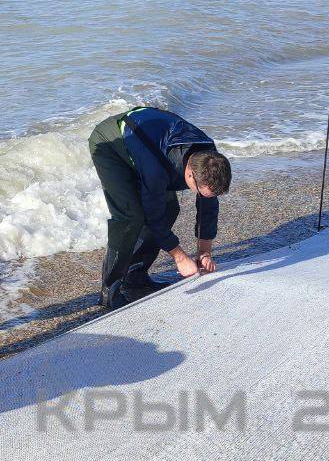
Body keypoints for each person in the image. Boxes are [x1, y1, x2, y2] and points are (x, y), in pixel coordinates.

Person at [88, 106, 232, 309]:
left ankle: (135, 278)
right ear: (190, 174)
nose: (203, 197)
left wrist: (204, 253)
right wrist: (180, 257)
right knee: (130, 218)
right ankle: (108, 293)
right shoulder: (157, 169)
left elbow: (208, 204)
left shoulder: (210, 159)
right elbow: (153, 215)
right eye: (200, 191)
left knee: (170, 209)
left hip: (149, 145)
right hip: (111, 142)